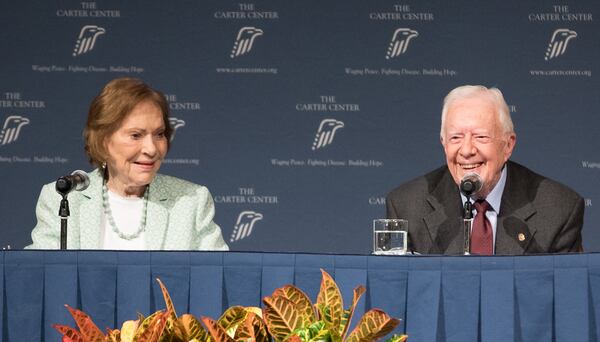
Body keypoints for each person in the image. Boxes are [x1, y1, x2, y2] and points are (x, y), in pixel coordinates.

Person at [27, 78, 229, 250]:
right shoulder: (65, 198)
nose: (151, 149)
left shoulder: (191, 201)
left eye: (159, 134)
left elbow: (216, 280)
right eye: (135, 135)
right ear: (103, 140)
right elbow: (38, 276)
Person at [386, 85, 584, 255]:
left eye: (480, 137)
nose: (466, 150)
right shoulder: (406, 206)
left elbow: (564, 293)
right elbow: (397, 291)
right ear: (444, 144)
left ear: (507, 145)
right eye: (455, 138)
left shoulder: (558, 209)